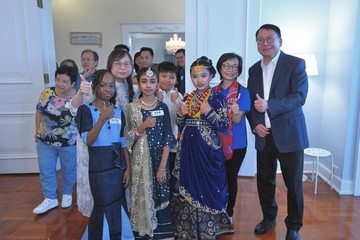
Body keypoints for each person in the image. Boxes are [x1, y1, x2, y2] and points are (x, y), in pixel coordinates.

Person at [246, 24, 309, 240]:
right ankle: (268, 218)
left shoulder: (295, 64)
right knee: (265, 180)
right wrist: (255, 125)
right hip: (264, 135)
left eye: (269, 39)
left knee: (293, 184)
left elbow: (299, 97)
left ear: (280, 41)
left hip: (290, 134)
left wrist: (270, 105)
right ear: (257, 45)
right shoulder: (253, 69)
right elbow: (250, 102)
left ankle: (293, 226)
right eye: (260, 40)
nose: (265, 43)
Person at [171, 56, 234, 239]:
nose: (199, 80)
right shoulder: (187, 97)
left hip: (208, 151)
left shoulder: (218, 98)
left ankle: (209, 228)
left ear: (211, 76)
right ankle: (188, 229)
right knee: (188, 183)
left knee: (208, 187)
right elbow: (181, 125)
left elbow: (224, 125)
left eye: (203, 76)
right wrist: (181, 115)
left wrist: (209, 113)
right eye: (195, 76)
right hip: (188, 149)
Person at [76, 69, 132, 239]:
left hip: (118, 166)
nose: (108, 89)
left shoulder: (118, 111)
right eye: (103, 85)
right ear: (94, 87)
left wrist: (128, 168)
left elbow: (123, 142)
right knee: (102, 204)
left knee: (118, 204)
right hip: (99, 167)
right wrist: (102, 118)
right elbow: (89, 140)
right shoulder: (85, 110)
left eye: (112, 85)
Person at [125, 66, 176, 239]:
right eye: (144, 81)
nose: (148, 85)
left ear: (157, 84)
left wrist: (162, 167)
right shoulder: (131, 108)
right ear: (138, 83)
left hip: (160, 160)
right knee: (143, 193)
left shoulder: (163, 107)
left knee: (161, 193)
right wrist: (143, 126)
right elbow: (127, 138)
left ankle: (162, 231)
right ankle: (142, 229)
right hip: (140, 162)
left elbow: (168, 138)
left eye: (152, 81)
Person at [33, 65, 78, 215]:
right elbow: (39, 112)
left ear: (73, 83)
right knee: (46, 170)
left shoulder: (77, 97)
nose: (60, 84)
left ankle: (67, 193)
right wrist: (37, 131)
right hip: (45, 141)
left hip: (69, 142)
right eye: (58, 79)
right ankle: (50, 198)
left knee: (69, 171)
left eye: (65, 81)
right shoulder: (47, 93)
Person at [214, 52, 251, 222]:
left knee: (230, 177)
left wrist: (235, 111)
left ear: (239, 70)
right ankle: (215, 207)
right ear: (220, 67)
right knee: (215, 177)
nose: (230, 69)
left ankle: (229, 212)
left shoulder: (243, 92)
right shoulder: (212, 91)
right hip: (215, 143)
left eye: (234, 66)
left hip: (236, 144)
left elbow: (236, 121)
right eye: (226, 65)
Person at [156, 61, 183, 179]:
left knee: (171, 173)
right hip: (155, 142)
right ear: (157, 77)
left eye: (172, 77)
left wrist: (177, 101)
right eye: (164, 76)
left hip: (172, 143)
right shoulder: (152, 93)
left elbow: (181, 120)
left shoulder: (178, 96)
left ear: (176, 80)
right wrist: (157, 101)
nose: (167, 80)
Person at [107, 49, 137, 113]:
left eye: (126, 64)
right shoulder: (100, 85)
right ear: (110, 65)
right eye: (118, 64)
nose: (122, 67)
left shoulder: (135, 89)